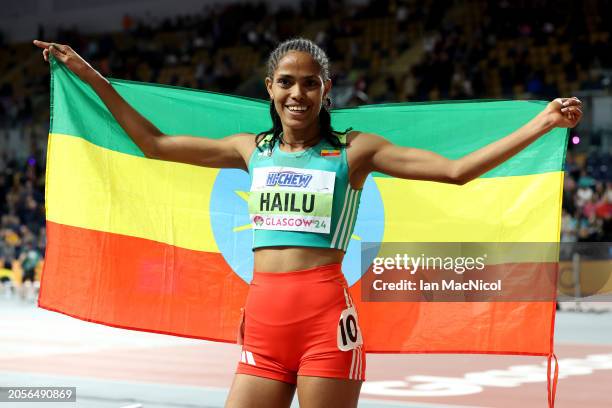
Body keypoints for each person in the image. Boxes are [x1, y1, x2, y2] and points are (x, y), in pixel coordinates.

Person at [33, 37, 583, 407]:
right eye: (287, 82)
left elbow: (458, 171)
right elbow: (153, 144)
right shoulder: (250, 149)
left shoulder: (354, 150)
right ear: (270, 88)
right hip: (263, 328)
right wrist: (89, 75)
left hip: (326, 327)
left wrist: (542, 123)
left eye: (311, 83)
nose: (299, 93)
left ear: (326, 89)